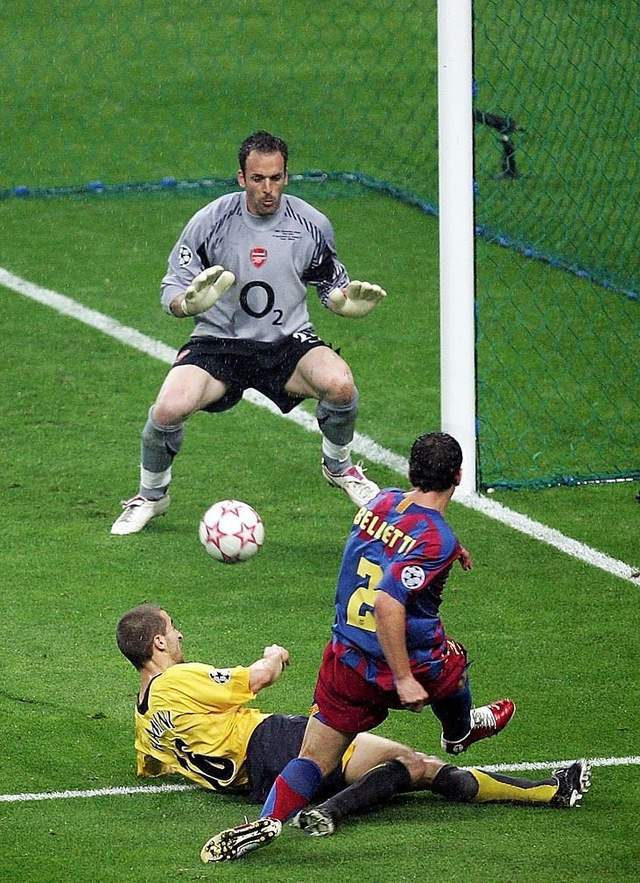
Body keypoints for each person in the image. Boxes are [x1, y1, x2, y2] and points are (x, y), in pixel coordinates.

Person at [116, 603, 590, 866]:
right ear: (158, 642)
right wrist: (275, 654)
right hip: (274, 741)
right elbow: (257, 678)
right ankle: (549, 790)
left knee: (399, 771)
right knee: (417, 764)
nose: (180, 635)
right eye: (173, 629)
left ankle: (322, 809)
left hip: (256, 782)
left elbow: (152, 765)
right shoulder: (176, 680)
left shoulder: (144, 723)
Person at [111, 130, 386, 536]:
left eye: (275, 178)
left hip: (287, 343)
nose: (267, 189)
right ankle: (151, 496)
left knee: (340, 385)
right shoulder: (211, 221)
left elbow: (330, 283)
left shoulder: (311, 225)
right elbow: (172, 287)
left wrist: (343, 303)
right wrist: (187, 304)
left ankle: (339, 467)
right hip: (218, 344)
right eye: (258, 179)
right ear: (241, 177)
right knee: (167, 409)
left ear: (286, 176)